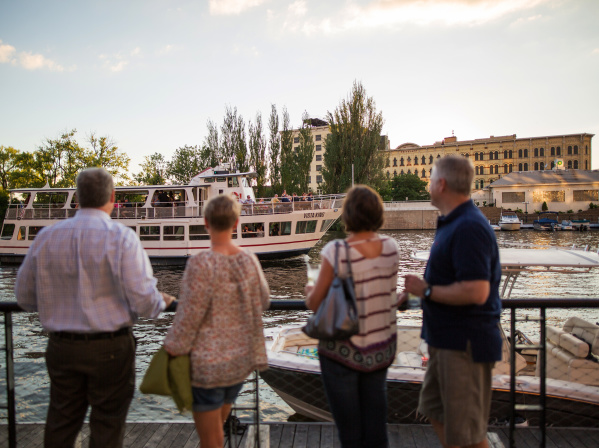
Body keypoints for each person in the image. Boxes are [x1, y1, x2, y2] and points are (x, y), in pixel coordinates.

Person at [15, 167, 175, 448]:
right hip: (110, 349)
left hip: (62, 346)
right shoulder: (122, 238)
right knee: (107, 425)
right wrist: (163, 300)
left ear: (77, 197)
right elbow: (146, 303)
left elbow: (24, 299)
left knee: (61, 422)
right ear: (113, 197)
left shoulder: (46, 237)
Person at [403, 156, 502, 448]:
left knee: (468, 434)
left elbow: (476, 292)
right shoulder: (453, 223)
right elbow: (447, 284)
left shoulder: (469, 227)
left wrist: (426, 292)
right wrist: (413, 297)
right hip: (445, 342)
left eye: (431, 178)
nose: (428, 184)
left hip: (464, 346)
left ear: (441, 184)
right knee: (434, 410)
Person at [164, 194, 270, 448]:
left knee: (211, 439)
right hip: (238, 363)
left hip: (207, 366)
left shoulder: (200, 263)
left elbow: (188, 317)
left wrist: (171, 350)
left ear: (206, 223)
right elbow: (264, 300)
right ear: (236, 223)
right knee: (215, 433)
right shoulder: (249, 260)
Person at [305, 185, 400, 448]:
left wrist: (310, 290)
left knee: (350, 434)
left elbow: (316, 304)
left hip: (342, 353)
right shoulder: (392, 248)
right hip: (380, 351)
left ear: (348, 215)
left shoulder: (336, 251)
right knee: (376, 430)